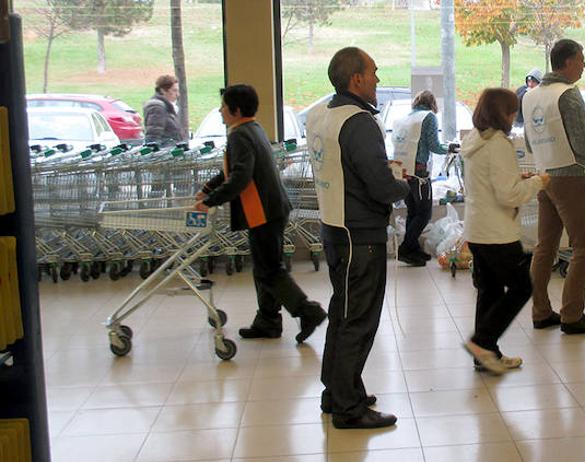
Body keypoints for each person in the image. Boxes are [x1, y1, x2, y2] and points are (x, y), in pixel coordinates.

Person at [305, 47, 409, 430]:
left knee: (342, 313)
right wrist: (404, 187)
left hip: (334, 226)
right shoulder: (360, 122)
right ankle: (349, 407)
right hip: (360, 235)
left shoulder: (321, 114)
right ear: (357, 79)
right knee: (359, 320)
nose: (378, 80)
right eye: (374, 72)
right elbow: (379, 185)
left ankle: (337, 392)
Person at [194, 84, 327, 344]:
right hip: (272, 209)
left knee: (269, 270)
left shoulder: (240, 136)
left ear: (236, 109)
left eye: (223, 106)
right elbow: (233, 171)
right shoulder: (251, 129)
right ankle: (268, 321)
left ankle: (308, 311)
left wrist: (211, 201)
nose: (220, 111)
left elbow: (240, 177)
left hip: (263, 212)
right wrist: (208, 188)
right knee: (264, 269)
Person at [523, 39, 585, 334]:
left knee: (544, 247)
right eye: (581, 60)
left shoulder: (531, 96)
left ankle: (540, 312)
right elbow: (583, 141)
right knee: (584, 246)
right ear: (567, 62)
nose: (584, 65)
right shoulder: (569, 95)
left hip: (544, 175)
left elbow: (528, 141)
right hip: (571, 177)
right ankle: (572, 315)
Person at [460, 88, 549, 374]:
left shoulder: (475, 139)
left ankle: (487, 355)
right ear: (502, 113)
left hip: (477, 229)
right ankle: (483, 342)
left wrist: (517, 178)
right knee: (522, 287)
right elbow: (508, 196)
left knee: (490, 290)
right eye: (512, 111)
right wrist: (538, 182)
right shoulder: (498, 144)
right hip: (498, 233)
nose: (514, 117)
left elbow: (491, 181)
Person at [392, 90, 449, 266]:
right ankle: (406, 248)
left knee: (413, 211)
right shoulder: (429, 117)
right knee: (424, 213)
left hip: (403, 171)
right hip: (419, 173)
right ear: (433, 104)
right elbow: (434, 145)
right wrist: (450, 148)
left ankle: (414, 249)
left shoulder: (405, 119)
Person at [143, 75, 183, 146]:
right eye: (174, 90)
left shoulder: (166, 106)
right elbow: (153, 135)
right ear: (163, 90)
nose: (178, 94)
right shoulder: (156, 107)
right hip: (164, 152)